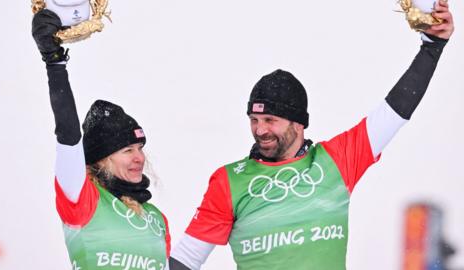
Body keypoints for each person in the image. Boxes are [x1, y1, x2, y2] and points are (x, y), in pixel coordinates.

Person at [169, 1, 454, 269]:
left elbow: (396, 110)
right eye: (254, 120)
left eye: (270, 120)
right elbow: (185, 260)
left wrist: (432, 47)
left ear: (298, 123)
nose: (260, 130)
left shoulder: (336, 161)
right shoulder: (230, 181)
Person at [32, 9, 171, 270]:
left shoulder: (157, 219)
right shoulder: (83, 201)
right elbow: (69, 138)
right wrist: (54, 63)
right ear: (101, 159)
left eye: (139, 148)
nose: (139, 157)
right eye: (127, 150)